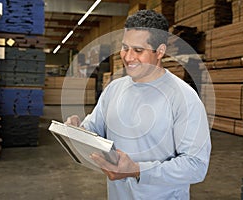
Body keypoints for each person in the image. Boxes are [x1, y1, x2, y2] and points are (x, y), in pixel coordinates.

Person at [65, 9, 211, 200]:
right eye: (125, 47)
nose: (128, 57)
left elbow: (196, 166)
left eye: (138, 50)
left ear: (160, 52)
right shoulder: (114, 89)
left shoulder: (184, 97)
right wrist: (78, 131)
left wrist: (137, 170)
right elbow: (94, 128)